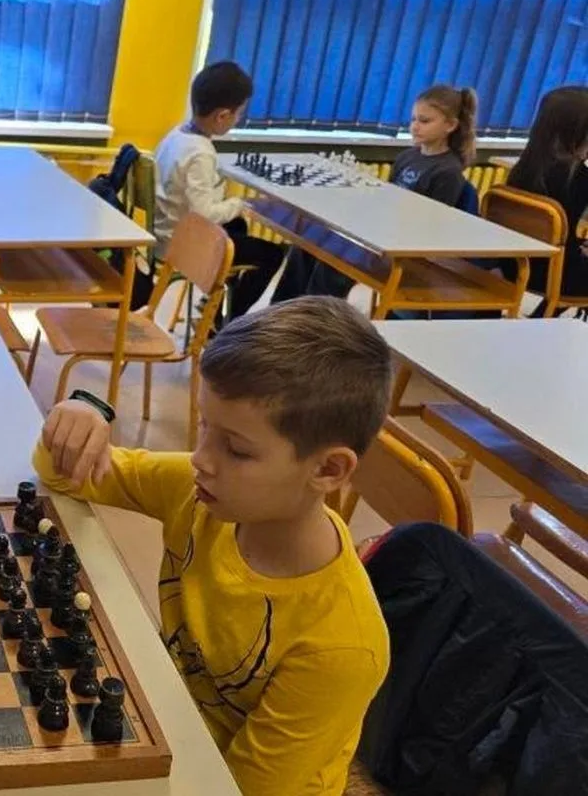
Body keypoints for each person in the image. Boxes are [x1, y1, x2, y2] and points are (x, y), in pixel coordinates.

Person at [37, 297, 391, 795]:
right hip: (168, 722)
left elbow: (240, 789)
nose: (200, 458)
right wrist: (79, 416)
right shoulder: (203, 491)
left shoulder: (341, 647)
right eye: (204, 425)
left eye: (237, 449)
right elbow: (66, 476)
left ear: (328, 470)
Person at [273, 84, 479, 303]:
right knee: (307, 242)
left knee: (332, 258)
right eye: (413, 119)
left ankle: (316, 316)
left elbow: (429, 228)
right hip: (378, 235)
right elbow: (386, 201)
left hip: (400, 250)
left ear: (450, 125)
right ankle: (281, 311)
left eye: (425, 121)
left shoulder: (448, 171)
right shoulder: (407, 157)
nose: (415, 126)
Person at [141, 60, 285, 320]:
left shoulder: (176, 134)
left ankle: (214, 306)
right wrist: (240, 203)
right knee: (272, 254)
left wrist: (232, 209)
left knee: (238, 226)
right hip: (184, 245)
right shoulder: (201, 153)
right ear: (222, 116)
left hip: (165, 232)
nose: (238, 120)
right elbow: (204, 213)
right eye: (238, 114)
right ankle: (229, 321)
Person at [505, 85, 588, 314]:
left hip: (516, 267)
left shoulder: (523, 170)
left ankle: (545, 316)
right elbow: (565, 244)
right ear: (577, 133)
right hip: (556, 274)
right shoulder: (578, 178)